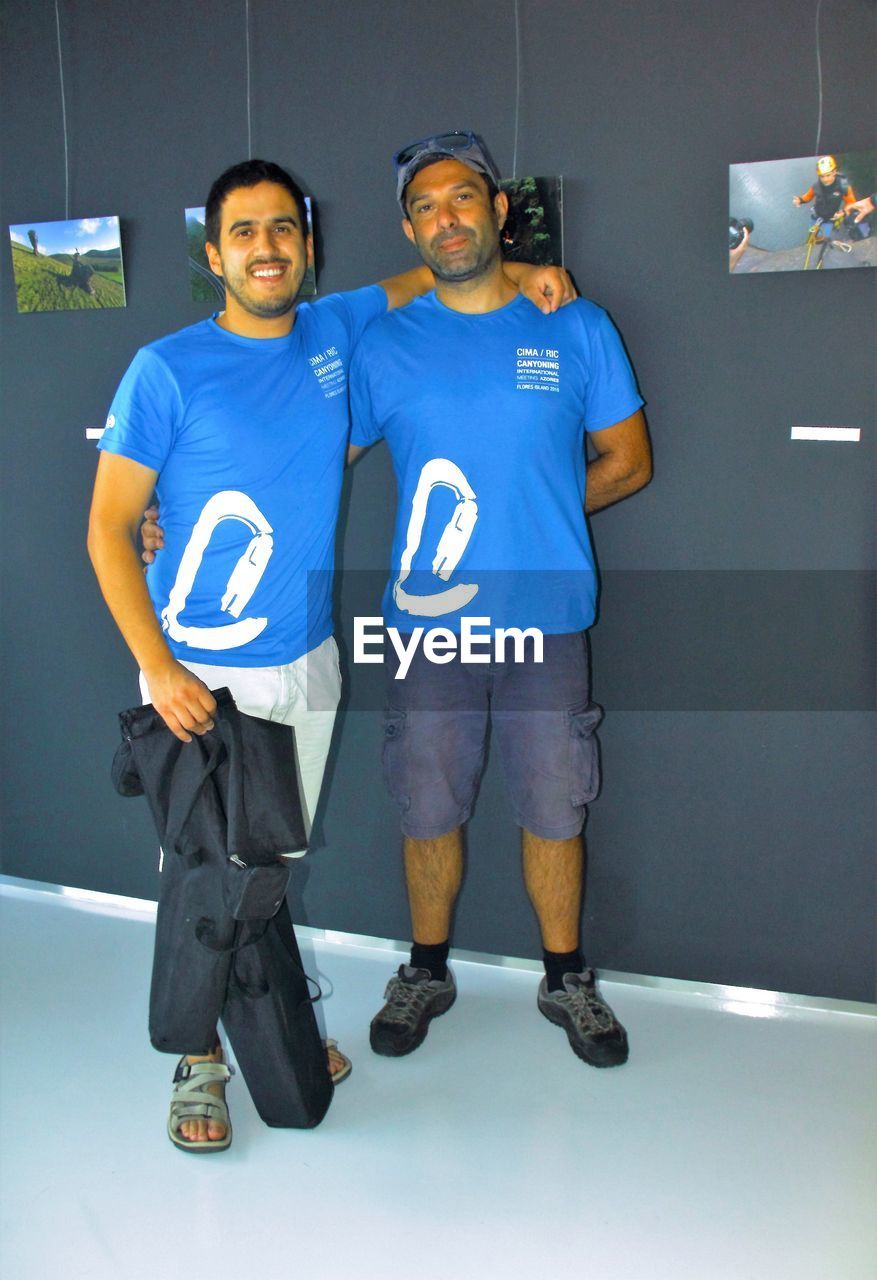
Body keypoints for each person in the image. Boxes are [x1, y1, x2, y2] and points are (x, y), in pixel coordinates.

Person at [90, 157, 574, 1152]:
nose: (264, 248)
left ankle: (275, 1025)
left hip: (306, 660)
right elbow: (107, 528)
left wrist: (528, 269)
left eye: (281, 229)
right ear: (212, 251)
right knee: (205, 872)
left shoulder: (333, 331)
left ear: (305, 245)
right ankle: (200, 1061)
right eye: (243, 232)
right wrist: (162, 667)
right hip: (199, 673)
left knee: (267, 861)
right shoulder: (165, 367)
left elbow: (423, 279)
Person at [347, 131, 651, 1068]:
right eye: (427, 206)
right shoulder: (382, 343)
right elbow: (307, 462)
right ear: (409, 226)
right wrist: (173, 511)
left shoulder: (576, 326)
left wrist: (546, 504)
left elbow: (628, 462)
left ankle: (566, 979)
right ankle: (426, 968)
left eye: (463, 199)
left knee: (555, 803)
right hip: (426, 627)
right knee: (426, 801)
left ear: (497, 210)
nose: (447, 218)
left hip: (545, 621)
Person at [792, 155, 871, 245]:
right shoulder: (817, 186)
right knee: (812, 237)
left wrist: (843, 212)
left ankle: (821, 246)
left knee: (823, 238)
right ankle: (812, 242)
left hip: (829, 219)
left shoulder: (843, 187)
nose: (825, 179)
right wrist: (800, 200)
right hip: (816, 216)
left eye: (828, 175)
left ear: (834, 172)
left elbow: (851, 203)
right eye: (822, 176)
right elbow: (808, 196)